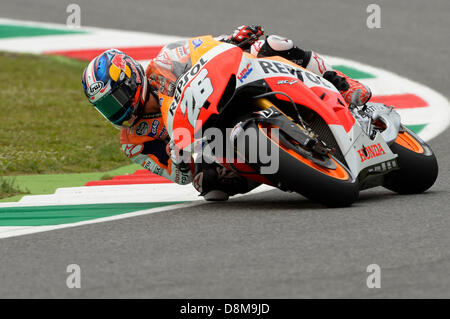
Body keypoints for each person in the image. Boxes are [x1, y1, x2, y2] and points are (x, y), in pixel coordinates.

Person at [81, 25, 372, 200]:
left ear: (130, 77)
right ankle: (289, 169)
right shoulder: (133, 142)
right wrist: (179, 161)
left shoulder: (164, 62)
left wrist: (234, 37)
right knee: (209, 187)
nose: (117, 110)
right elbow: (179, 177)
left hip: (226, 91)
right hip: (209, 145)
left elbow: (203, 48)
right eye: (106, 107)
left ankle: (340, 83)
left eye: (115, 99)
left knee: (272, 44)